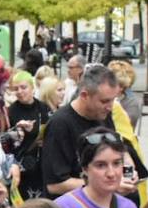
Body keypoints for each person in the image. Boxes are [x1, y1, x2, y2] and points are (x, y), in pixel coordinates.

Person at [43, 63, 121, 196]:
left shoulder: (102, 114)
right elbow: (54, 185)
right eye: (104, 101)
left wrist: (130, 170)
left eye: (113, 100)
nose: (110, 107)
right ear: (84, 95)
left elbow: (119, 149)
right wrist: (107, 184)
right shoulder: (60, 124)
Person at [6, 71, 47, 199]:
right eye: (16, 89)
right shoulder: (11, 111)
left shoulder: (42, 108)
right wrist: (17, 129)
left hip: (40, 164)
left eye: (23, 87)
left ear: (32, 88)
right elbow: (6, 140)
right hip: (20, 166)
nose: (20, 91)